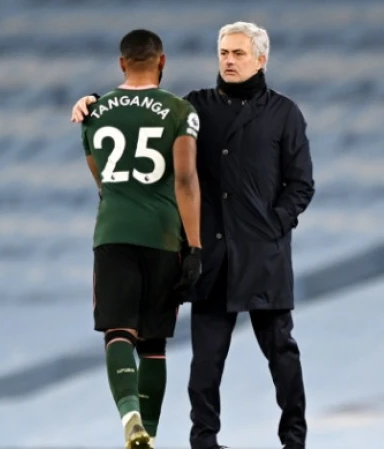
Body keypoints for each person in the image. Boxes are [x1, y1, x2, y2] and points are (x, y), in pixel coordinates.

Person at [72, 21, 315, 449]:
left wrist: (276, 222)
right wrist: (91, 100)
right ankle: (204, 440)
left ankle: (294, 439)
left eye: (239, 54)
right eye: (224, 53)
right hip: (212, 256)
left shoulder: (285, 113)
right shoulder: (194, 106)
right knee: (205, 361)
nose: (229, 61)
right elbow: (144, 116)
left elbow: (301, 184)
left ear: (261, 59)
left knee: (282, 353)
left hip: (263, 253)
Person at [78, 29, 203, 449]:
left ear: (121, 63)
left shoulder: (93, 111)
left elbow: (101, 179)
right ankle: (150, 431)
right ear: (161, 61)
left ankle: (130, 415)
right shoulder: (180, 110)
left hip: (113, 232)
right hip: (163, 235)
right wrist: (195, 247)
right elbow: (185, 180)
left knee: (118, 332)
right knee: (153, 343)